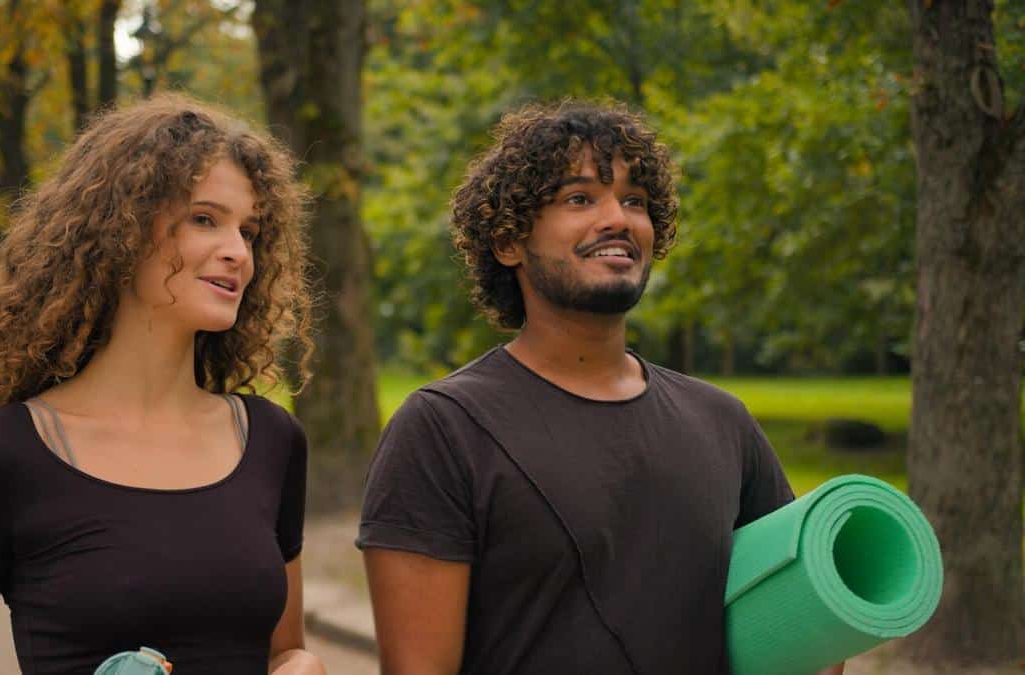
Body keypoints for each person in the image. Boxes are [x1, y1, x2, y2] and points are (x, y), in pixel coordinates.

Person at [357, 101, 844, 675]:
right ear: (509, 242)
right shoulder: (443, 429)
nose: (618, 219)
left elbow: (804, 631)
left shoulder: (723, 421)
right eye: (579, 198)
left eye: (634, 201)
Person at [0, 94, 325, 675]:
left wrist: (302, 666)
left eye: (249, 231)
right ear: (124, 229)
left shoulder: (271, 439)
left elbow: (281, 651)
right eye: (205, 219)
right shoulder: (0, 457)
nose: (238, 252)